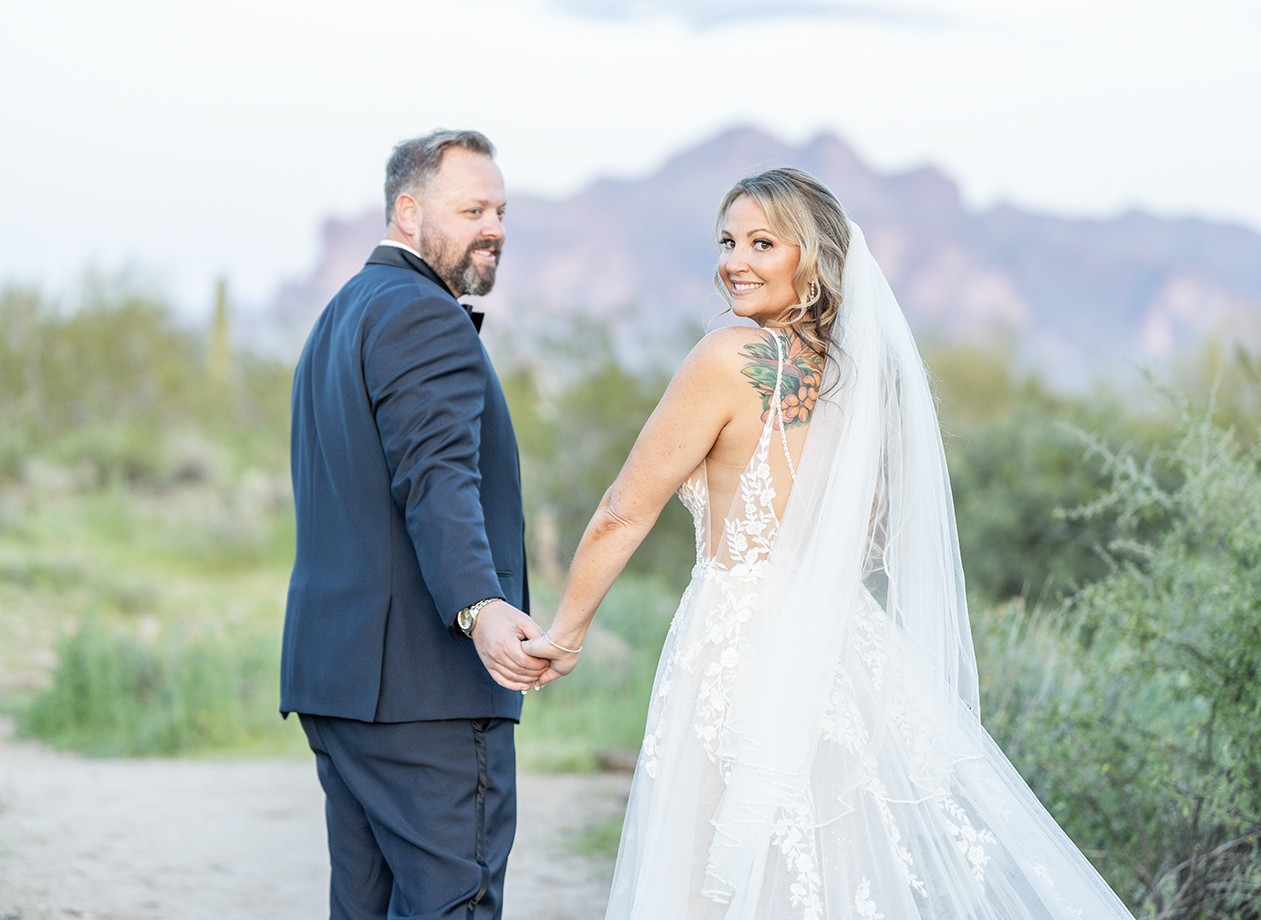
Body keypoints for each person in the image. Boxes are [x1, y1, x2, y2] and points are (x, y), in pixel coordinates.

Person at [524, 168, 1137, 918]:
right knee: (826, 877)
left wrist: (567, 633)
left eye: (762, 242)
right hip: (841, 649)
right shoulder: (857, 376)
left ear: (809, 259)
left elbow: (624, 509)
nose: (734, 261)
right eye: (727, 241)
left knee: (713, 876)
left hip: (737, 644)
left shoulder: (728, 359)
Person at [281, 129, 548, 920]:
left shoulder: (342, 316)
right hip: (422, 693)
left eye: (499, 209)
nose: (493, 225)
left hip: (342, 684)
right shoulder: (424, 318)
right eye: (472, 208)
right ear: (407, 210)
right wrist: (480, 605)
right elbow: (437, 479)